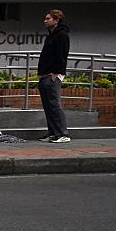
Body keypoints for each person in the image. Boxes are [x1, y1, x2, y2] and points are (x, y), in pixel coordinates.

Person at [37, 9, 72, 143]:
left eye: (48, 19)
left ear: (56, 20)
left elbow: (62, 55)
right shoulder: (50, 35)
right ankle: (53, 132)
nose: (45, 21)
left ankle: (63, 133)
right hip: (45, 74)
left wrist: (56, 73)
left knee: (54, 104)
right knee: (47, 105)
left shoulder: (62, 35)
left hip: (53, 75)